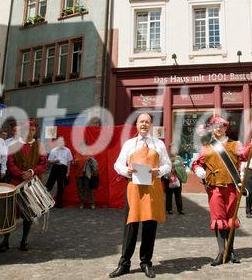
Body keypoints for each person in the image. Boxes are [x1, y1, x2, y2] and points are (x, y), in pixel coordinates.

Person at [109, 113, 171, 278]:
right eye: (141, 121)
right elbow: (118, 164)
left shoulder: (159, 144)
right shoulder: (129, 144)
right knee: (131, 226)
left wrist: (160, 171)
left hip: (152, 188)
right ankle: (124, 264)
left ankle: (146, 262)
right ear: (136, 124)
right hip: (134, 189)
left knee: (150, 226)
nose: (144, 124)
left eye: (147, 122)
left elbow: (168, 165)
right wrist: (126, 170)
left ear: (151, 125)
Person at [191, 115, 245, 266]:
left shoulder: (235, 145)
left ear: (226, 128)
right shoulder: (207, 146)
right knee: (218, 220)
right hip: (214, 188)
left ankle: (231, 251)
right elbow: (196, 163)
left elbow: (245, 154)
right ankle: (221, 252)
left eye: (221, 126)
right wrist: (198, 170)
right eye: (215, 126)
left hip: (231, 187)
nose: (218, 129)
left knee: (231, 220)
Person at [0, 120, 47, 252]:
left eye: (32, 130)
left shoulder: (40, 146)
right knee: (10, 212)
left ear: (35, 131)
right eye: (28, 130)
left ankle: (24, 240)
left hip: (31, 183)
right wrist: (21, 174)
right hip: (16, 182)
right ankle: (5, 241)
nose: (30, 132)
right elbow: (10, 163)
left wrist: (31, 172)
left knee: (28, 212)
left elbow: (43, 164)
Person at [46, 136, 73, 208]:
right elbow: (49, 161)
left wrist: (68, 172)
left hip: (63, 169)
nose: (60, 142)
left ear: (64, 142)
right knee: (49, 185)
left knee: (61, 186)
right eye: (59, 141)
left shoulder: (68, 150)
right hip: (55, 167)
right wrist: (54, 161)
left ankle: (59, 204)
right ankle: (44, 202)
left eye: (62, 141)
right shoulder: (53, 150)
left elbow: (69, 162)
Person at [76, 144, 99, 210]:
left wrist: (90, 160)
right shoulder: (77, 154)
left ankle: (91, 203)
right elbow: (74, 163)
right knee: (80, 189)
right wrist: (74, 162)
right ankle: (82, 203)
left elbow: (95, 164)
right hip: (79, 174)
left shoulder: (89, 154)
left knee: (89, 189)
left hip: (87, 175)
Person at [163, 145, 184, 215]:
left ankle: (180, 209)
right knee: (168, 195)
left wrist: (176, 169)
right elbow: (164, 167)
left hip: (177, 178)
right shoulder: (166, 158)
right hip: (168, 179)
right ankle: (169, 209)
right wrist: (169, 172)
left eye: (174, 149)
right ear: (169, 150)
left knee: (178, 194)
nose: (173, 150)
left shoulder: (179, 159)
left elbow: (182, 168)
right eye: (172, 149)